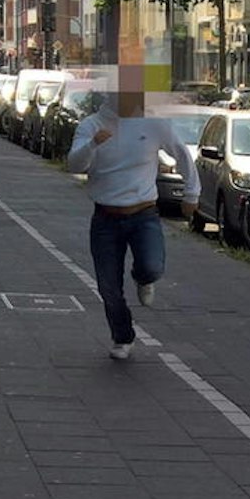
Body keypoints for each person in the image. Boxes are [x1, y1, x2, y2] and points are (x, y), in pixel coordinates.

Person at [66, 92, 199, 360]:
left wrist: (191, 194)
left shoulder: (153, 123)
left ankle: (143, 277)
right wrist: (93, 144)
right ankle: (123, 336)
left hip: (143, 213)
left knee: (152, 266)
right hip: (106, 217)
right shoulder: (92, 125)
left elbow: (181, 153)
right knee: (108, 287)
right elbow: (74, 165)